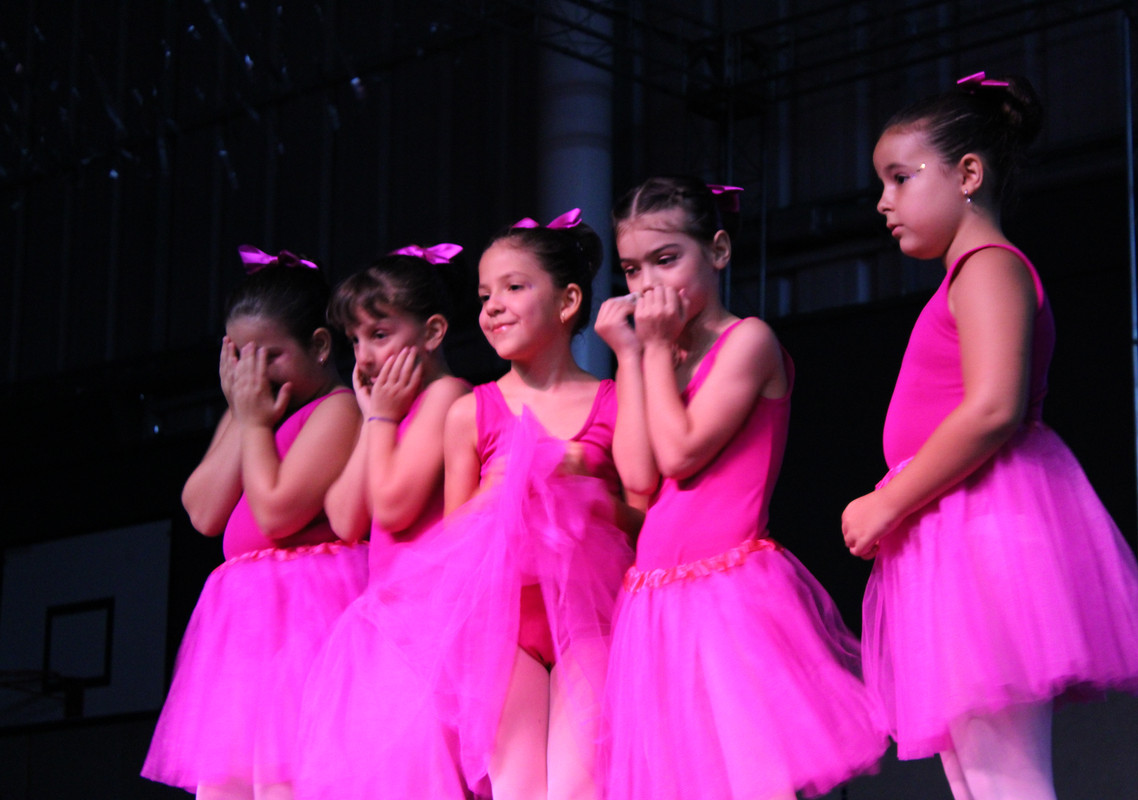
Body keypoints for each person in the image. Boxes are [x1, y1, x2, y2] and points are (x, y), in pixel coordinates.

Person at [841, 72, 1138, 800]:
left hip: (984, 528)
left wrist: (888, 502)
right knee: (977, 776)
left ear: (968, 174)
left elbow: (994, 407)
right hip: (951, 531)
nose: (883, 202)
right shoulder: (965, 275)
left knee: (1005, 778)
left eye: (900, 179)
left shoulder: (989, 267)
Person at [596, 176, 888, 800]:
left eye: (667, 260)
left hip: (729, 594)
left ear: (719, 251)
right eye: (631, 269)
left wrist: (649, 354)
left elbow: (681, 453)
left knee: (755, 779)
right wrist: (629, 357)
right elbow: (641, 478)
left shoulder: (748, 340)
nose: (648, 285)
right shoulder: (657, 359)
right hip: (656, 601)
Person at [375, 210, 636, 800]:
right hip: (503, 631)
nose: (492, 306)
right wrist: (501, 493)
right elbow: (454, 544)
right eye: (485, 294)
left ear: (569, 301)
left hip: (595, 624)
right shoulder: (472, 411)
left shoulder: (613, 401)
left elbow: (643, 518)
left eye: (514, 287)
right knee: (516, 789)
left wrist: (585, 489)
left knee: (579, 790)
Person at [142, 246, 365, 800]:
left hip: (305, 614)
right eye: (240, 356)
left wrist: (255, 424)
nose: (255, 373)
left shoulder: (337, 409)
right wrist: (245, 418)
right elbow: (203, 511)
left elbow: (277, 510)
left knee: (287, 780)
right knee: (227, 785)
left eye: (272, 356)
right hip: (242, 627)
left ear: (319, 346)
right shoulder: (250, 412)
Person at [292, 245, 472, 799]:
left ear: (433, 332)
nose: (364, 357)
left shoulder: (448, 396)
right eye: (355, 340)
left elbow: (393, 507)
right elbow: (346, 519)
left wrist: (383, 417)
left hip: (433, 624)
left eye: (380, 334)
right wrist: (376, 419)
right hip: (383, 626)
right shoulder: (384, 414)